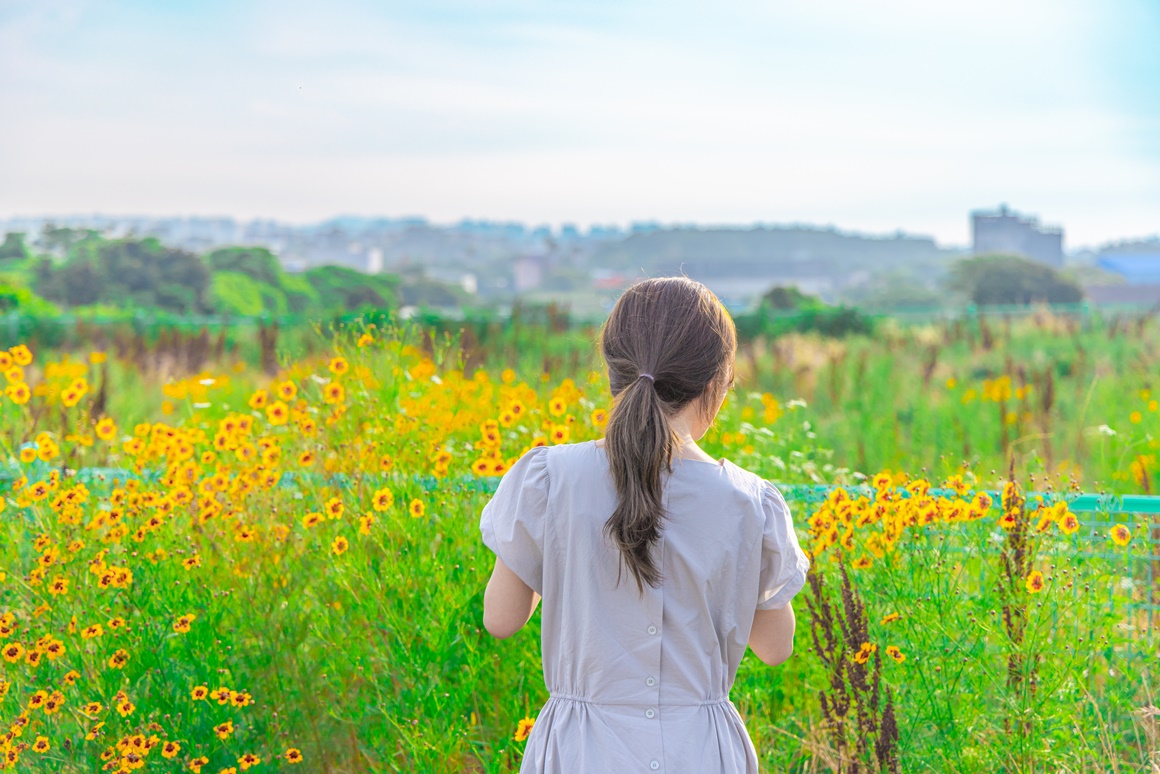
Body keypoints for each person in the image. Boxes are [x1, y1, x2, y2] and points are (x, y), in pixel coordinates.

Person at [480, 276, 810, 773]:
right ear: (718, 383)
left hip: (582, 752)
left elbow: (501, 619)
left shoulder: (550, 479)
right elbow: (775, 647)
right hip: (699, 752)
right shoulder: (750, 502)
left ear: (614, 373)